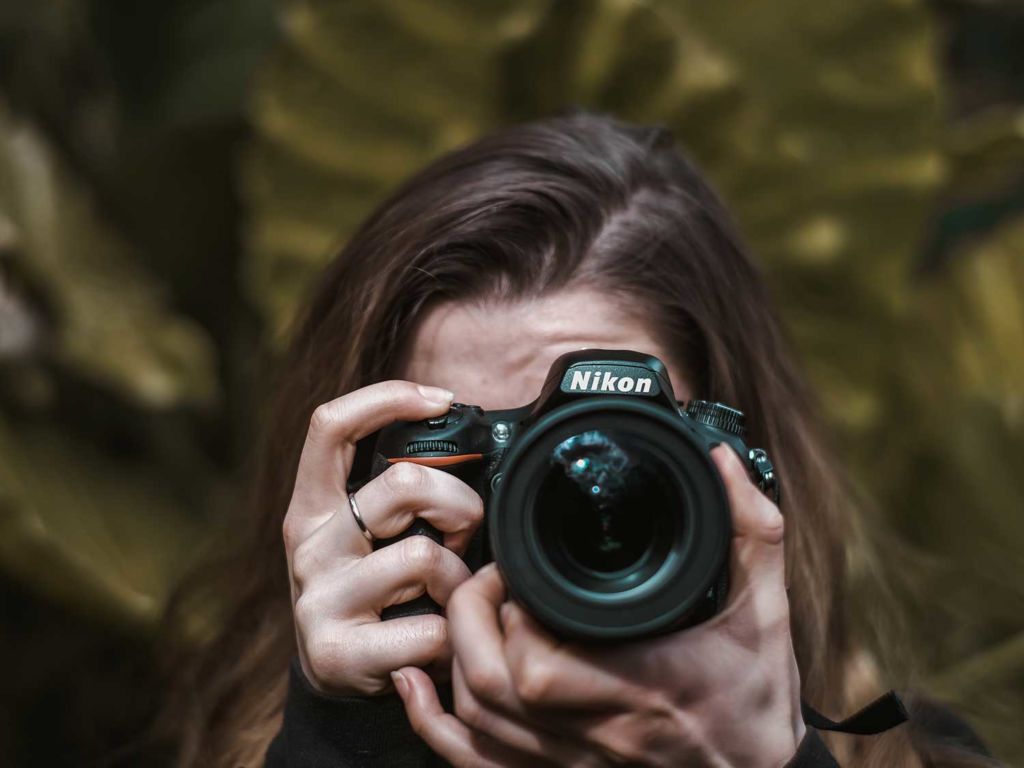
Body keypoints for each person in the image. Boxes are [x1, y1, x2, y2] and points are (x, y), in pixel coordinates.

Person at [154, 112, 998, 767]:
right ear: (367, 487)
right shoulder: (301, 731)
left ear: (744, 475)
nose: (569, 504)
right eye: (493, 453)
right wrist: (341, 737)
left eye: (622, 453)